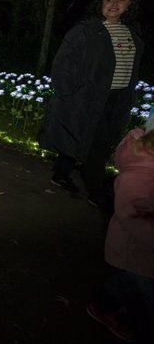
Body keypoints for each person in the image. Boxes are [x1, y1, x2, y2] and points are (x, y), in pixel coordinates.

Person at [39, 0, 144, 207]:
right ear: (101, 3)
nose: (114, 4)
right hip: (88, 99)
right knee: (96, 144)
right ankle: (96, 191)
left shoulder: (132, 34)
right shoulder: (87, 30)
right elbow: (63, 63)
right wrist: (69, 92)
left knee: (87, 138)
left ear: (129, 5)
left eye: (121, 0)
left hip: (117, 99)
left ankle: (60, 173)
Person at [87, 115, 154, 343]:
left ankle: (102, 307)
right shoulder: (142, 171)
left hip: (142, 254)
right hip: (137, 246)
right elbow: (133, 214)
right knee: (142, 288)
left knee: (128, 280)